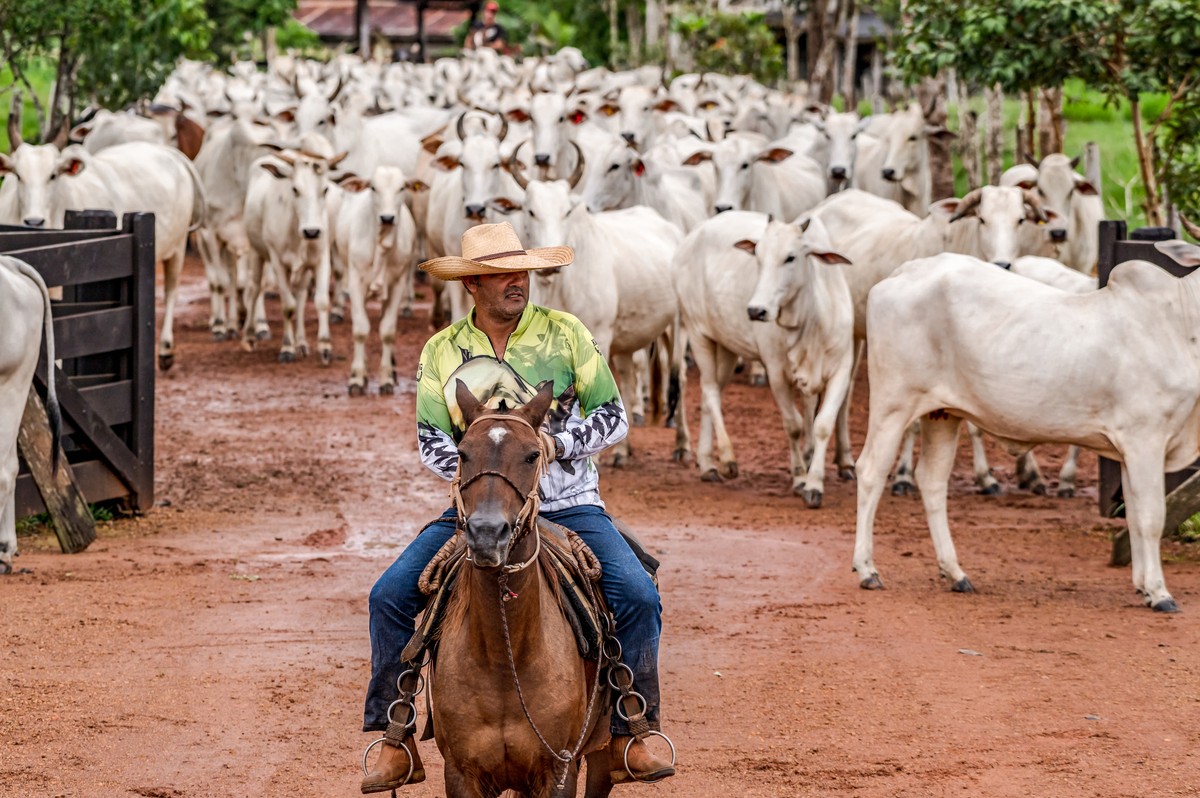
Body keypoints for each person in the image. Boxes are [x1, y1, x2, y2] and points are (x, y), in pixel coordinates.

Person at [360, 222, 675, 794]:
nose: (517, 282)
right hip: (479, 507)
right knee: (388, 595)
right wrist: (483, 470)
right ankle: (394, 737)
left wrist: (556, 445)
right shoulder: (442, 349)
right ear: (473, 285)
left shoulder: (566, 333)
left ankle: (634, 730)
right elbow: (432, 435)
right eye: (502, 274)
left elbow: (613, 416)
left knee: (637, 594)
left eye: (522, 271)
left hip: (568, 505)